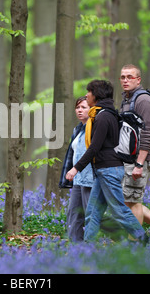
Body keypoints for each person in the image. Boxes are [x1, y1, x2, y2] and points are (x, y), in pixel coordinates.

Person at [66, 80, 147, 243]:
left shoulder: (103, 117)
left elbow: (94, 147)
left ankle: (146, 241)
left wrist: (75, 169)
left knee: (119, 211)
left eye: (89, 92)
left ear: (96, 95)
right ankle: (86, 247)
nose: (86, 95)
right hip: (103, 170)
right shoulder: (104, 114)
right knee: (93, 212)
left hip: (109, 170)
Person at [119, 64, 150, 226]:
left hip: (138, 159)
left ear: (138, 79)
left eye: (130, 77)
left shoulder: (143, 100)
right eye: (123, 77)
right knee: (129, 199)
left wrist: (139, 163)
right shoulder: (127, 99)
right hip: (129, 158)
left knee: (132, 201)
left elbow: (148, 132)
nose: (126, 80)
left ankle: (134, 242)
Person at [59, 97, 94, 242]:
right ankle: (75, 247)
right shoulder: (78, 129)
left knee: (90, 213)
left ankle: (93, 246)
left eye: (84, 107)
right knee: (73, 213)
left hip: (91, 178)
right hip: (78, 179)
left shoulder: (95, 128)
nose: (80, 110)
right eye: (78, 107)